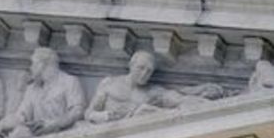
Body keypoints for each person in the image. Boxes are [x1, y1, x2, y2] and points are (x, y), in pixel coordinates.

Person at [85, 50, 226, 123]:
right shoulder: (110, 83)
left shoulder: (152, 92)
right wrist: (106, 116)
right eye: (141, 68)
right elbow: (89, 113)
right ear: (131, 65)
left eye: (149, 71)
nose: (144, 74)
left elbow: (179, 97)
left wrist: (203, 94)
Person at [0, 47, 86, 138]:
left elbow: (77, 111)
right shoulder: (32, 89)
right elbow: (21, 116)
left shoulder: (69, 81)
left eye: (33, 64)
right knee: (17, 135)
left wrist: (54, 124)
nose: (30, 68)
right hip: (37, 137)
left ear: (42, 64)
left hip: (63, 136)